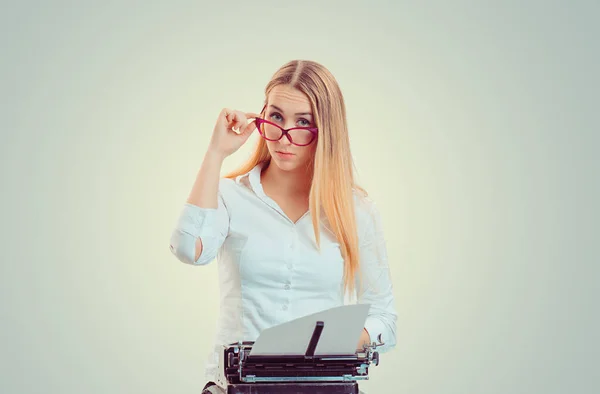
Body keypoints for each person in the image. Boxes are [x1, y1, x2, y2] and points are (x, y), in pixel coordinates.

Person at [169, 60, 397, 394]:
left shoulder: (356, 210)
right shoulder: (231, 196)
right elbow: (188, 250)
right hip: (237, 388)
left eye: (302, 122)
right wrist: (217, 152)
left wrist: (327, 343)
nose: (283, 137)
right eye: (275, 117)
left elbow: (384, 320)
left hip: (324, 387)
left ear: (325, 131)